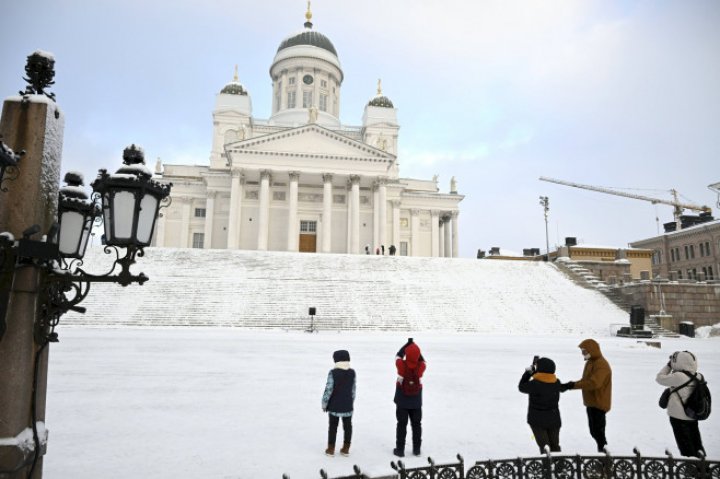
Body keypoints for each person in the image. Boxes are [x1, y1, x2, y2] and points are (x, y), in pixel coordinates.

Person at [562, 339, 612, 452]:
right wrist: (570, 385)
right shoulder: (590, 362)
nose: (582, 353)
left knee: (599, 433)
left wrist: (572, 385)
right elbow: (586, 380)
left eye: (584, 351)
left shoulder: (601, 364)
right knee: (594, 431)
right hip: (591, 402)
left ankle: (606, 459)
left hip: (599, 403)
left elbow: (594, 383)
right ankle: (603, 456)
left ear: (592, 350)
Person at [656, 351, 706, 457]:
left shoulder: (679, 377)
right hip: (692, 414)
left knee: (685, 445)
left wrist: (669, 366)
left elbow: (660, 378)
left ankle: (691, 467)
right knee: (696, 441)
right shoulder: (699, 376)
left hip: (678, 417)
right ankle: (702, 467)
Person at [518, 357, 563, 453]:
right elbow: (544, 379)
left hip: (537, 421)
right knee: (555, 447)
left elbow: (521, 387)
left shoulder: (535, 384)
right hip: (554, 419)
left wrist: (528, 373)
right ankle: (559, 466)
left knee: (545, 448)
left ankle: (548, 467)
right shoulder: (556, 383)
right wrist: (535, 373)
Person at [393, 338, 426, 457]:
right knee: (417, 424)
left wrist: (408, 344)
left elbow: (398, 355)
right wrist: (415, 347)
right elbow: (422, 360)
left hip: (402, 400)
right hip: (416, 401)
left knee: (401, 424)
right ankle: (417, 449)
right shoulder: (421, 366)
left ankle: (400, 450)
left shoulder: (401, 365)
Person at [321, 350, 356, 456]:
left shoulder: (333, 373)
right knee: (348, 427)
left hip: (334, 406)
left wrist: (324, 403)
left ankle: (331, 449)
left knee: (333, 427)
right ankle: (346, 449)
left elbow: (328, 389)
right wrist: (350, 402)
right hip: (347, 406)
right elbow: (353, 390)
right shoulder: (352, 372)